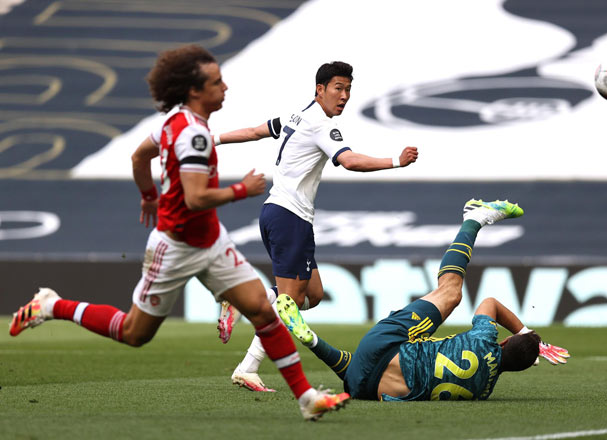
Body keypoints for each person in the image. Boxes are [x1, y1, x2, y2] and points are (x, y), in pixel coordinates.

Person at [8, 44, 349, 421]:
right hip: (176, 245)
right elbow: (196, 197)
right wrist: (242, 190)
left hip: (212, 242)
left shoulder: (176, 123)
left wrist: (148, 196)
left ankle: (307, 399)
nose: (226, 87)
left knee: (267, 314)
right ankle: (52, 305)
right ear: (194, 91)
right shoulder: (193, 135)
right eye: (217, 82)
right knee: (133, 332)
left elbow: (139, 156)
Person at [212, 61, 419, 391]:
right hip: (289, 217)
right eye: (338, 88)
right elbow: (349, 161)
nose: (345, 96)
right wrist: (396, 161)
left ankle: (241, 300)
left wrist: (214, 139)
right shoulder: (321, 125)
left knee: (314, 295)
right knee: (289, 306)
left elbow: (254, 132)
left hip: (277, 214)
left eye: (349, 89)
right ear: (319, 89)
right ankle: (247, 367)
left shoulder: (298, 115)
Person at [276, 199, 570, 401]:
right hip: (370, 388)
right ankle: (313, 341)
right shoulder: (483, 391)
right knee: (360, 372)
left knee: (451, 293)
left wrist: (526, 334)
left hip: (388, 345)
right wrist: (526, 350)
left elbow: (490, 303)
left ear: (503, 342)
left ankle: (474, 219)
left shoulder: (486, 338)